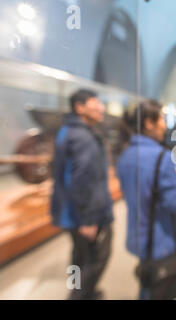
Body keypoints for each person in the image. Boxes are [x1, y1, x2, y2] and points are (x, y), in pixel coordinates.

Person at [118, 100, 176, 300]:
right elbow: (173, 201)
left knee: (148, 288)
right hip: (161, 242)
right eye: (161, 118)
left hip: (140, 237)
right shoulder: (162, 158)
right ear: (148, 123)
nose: (165, 124)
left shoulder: (126, 155)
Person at [50, 89, 113, 300]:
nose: (101, 108)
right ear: (80, 107)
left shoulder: (67, 131)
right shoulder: (83, 137)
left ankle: (77, 291)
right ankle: (79, 295)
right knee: (96, 259)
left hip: (70, 212)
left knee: (78, 257)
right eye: (96, 104)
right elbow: (82, 181)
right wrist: (88, 219)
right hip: (84, 215)